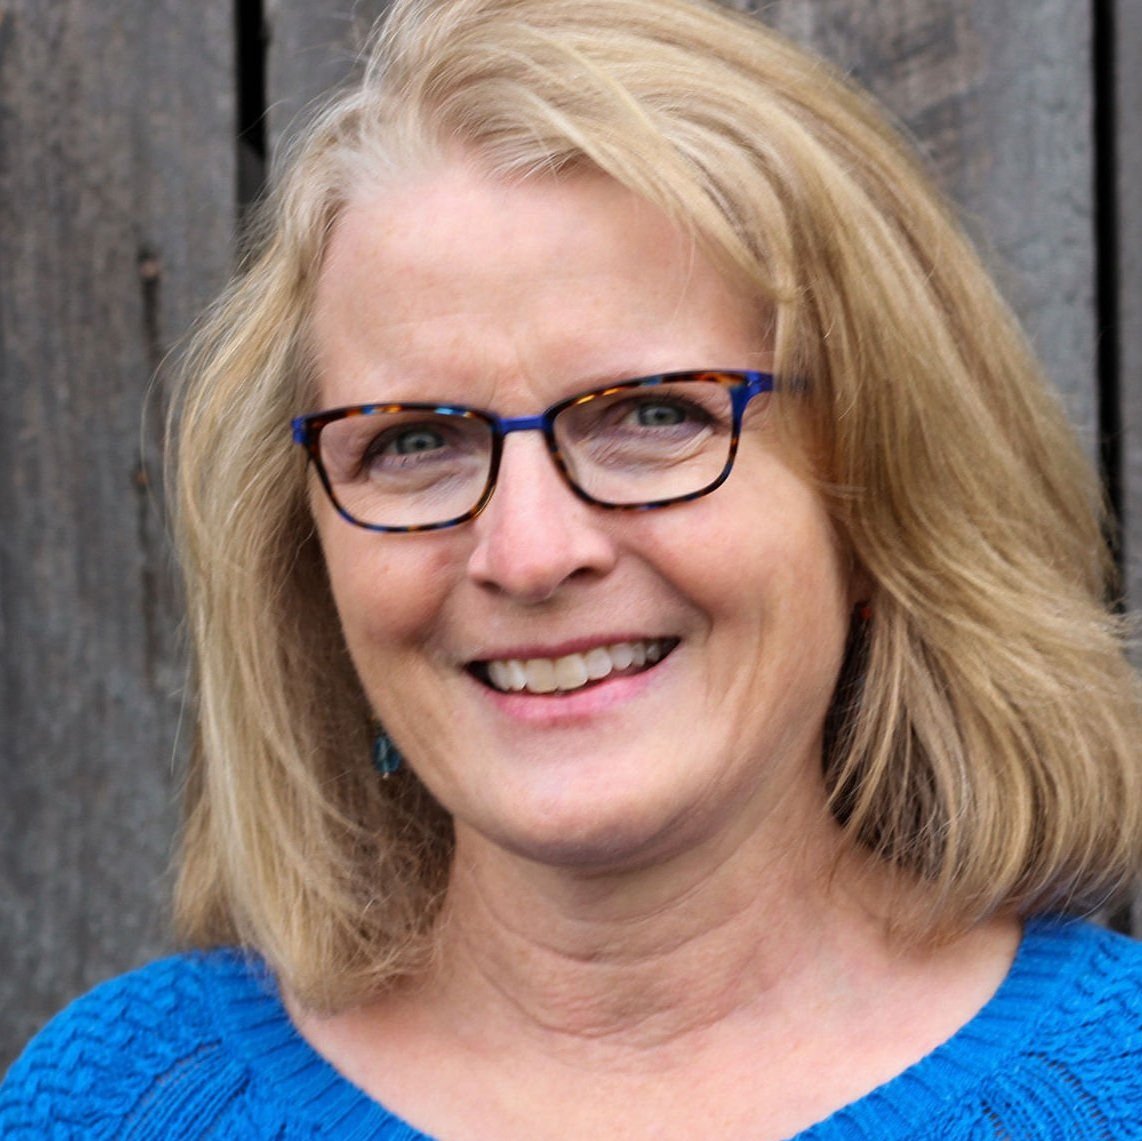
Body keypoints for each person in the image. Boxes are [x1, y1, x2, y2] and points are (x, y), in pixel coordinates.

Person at [3, 0, 1141, 1136]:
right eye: (414, 442)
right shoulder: (124, 1103)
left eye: (651, 415)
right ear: (307, 551)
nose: (531, 552)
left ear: (877, 487)